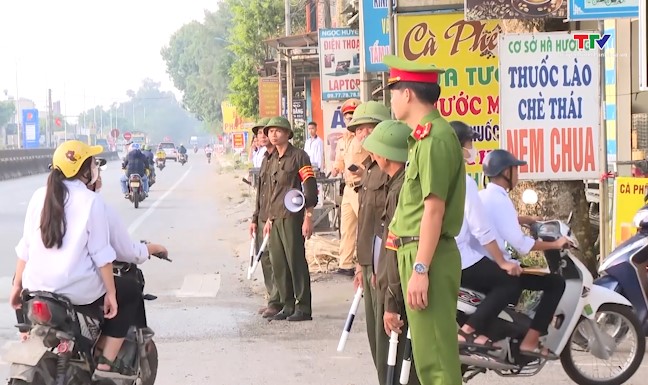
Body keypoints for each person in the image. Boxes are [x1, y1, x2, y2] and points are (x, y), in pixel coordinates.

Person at [9, 140, 138, 378]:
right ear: (86, 170)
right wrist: (111, 294)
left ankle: (26, 334)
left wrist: (17, 285)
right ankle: (105, 364)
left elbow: (25, 248)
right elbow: (102, 255)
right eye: (92, 163)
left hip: (35, 287)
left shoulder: (39, 195)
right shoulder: (92, 201)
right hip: (75, 291)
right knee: (129, 292)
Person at [382, 54, 465, 385]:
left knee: (436, 362)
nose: (390, 99)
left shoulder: (434, 139)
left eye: (392, 91)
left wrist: (420, 269)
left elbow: (434, 209)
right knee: (428, 358)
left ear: (407, 94)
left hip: (425, 255)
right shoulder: (421, 138)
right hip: (415, 252)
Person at [477, 149, 569, 360]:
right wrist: (556, 244)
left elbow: (496, 219)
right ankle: (530, 342)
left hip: (482, 262)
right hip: (495, 265)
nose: (518, 174)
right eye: (516, 169)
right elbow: (521, 244)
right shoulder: (500, 199)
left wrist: (525, 219)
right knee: (555, 283)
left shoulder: (486, 195)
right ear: (506, 172)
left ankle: (517, 331)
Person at [448, 121, 523, 350]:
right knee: (510, 282)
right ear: (460, 147)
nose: (473, 147)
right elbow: (481, 229)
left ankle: (486, 332)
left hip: (444, 255)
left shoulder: (440, 173)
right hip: (460, 257)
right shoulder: (464, 181)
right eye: (469, 142)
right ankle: (470, 331)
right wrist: (502, 262)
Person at [363, 120, 421, 385]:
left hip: (397, 287)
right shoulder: (397, 184)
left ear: (385, 155)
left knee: (400, 366)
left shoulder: (400, 190)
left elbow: (397, 248)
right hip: (390, 281)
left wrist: (391, 302)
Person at [348, 101, 391, 376]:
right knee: (376, 341)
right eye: (359, 130)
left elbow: (388, 225)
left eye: (368, 127)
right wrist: (359, 264)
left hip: (383, 264)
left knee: (389, 342)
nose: (362, 134)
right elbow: (364, 222)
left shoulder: (390, 169)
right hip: (368, 263)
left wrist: (379, 267)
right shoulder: (368, 169)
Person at [263, 116, 318, 321]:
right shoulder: (272, 159)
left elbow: (310, 186)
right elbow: (272, 192)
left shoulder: (299, 156)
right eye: (270, 131)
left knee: (295, 261)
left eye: (278, 131)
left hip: (293, 216)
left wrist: (308, 216)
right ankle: (287, 304)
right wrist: (268, 218)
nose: (273, 135)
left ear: (287, 134)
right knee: (279, 262)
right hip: (276, 217)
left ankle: (303, 306)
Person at [249, 117, 282, 318]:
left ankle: (278, 300)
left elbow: (278, 194)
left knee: (275, 258)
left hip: (274, 216)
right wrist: (254, 218)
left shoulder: (280, 158)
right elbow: (260, 193)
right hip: (262, 215)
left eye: (265, 132)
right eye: (259, 133)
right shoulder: (264, 158)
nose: (262, 136)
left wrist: (270, 217)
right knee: (265, 259)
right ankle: (272, 298)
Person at [333, 98, 368, 277]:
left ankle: (365, 262)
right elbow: (340, 161)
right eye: (347, 116)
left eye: (353, 116)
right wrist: (336, 168)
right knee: (347, 227)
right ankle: (345, 264)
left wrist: (363, 170)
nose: (350, 119)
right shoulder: (342, 140)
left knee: (365, 226)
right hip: (347, 187)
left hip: (362, 187)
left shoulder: (365, 137)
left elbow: (374, 160)